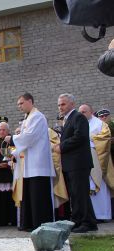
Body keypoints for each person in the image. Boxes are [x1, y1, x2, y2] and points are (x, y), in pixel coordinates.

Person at [4, 93, 55, 230]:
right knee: (29, 195)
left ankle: (41, 224)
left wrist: (13, 138)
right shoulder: (28, 118)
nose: (19, 106)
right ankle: (29, 223)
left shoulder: (37, 117)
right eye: (18, 104)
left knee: (38, 196)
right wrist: (13, 153)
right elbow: (26, 142)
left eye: (21, 103)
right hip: (28, 164)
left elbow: (30, 137)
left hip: (38, 164)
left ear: (30, 101)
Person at [53, 94, 98, 232]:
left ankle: (84, 222)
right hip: (71, 163)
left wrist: (62, 146)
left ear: (72, 104)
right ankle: (83, 221)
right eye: (59, 104)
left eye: (63, 104)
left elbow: (80, 136)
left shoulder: (78, 117)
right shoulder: (68, 119)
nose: (60, 107)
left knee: (80, 193)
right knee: (76, 193)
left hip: (78, 163)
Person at [78, 104, 113, 221]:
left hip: (98, 159)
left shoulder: (100, 124)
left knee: (100, 186)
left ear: (91, 112)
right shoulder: (80, 123)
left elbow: (105, 137)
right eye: (80, 112)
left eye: (84, 111)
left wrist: (89, 138)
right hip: (83, 159)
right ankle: (91, 215)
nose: (81, 114)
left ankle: (102, 215)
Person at [0, 121, 17, 226]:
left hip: (9, 173)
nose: (1, 131)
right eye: (0, 130)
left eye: (4, 129)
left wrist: (9, 163)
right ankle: (0, 220)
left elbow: (14, 155)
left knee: (9, 198)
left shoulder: (11, 141)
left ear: (8, 131)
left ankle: (12, 219)